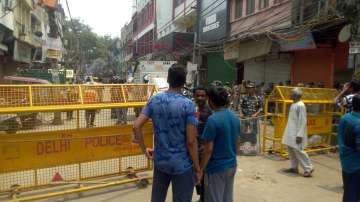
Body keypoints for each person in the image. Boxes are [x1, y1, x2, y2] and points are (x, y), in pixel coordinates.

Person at [133, 64, 201, 202]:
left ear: (168, 80)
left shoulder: (154, 100)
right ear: (183, 82)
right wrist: (198, 167)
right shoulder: (188, 105)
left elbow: (136, 126)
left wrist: (143, 149)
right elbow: (191, 141)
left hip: (161, 162)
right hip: (182, 165)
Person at [200, 86, 240, 202]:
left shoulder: (213, 120)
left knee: (214, 198)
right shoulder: (235, 117)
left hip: (216, 168)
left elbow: (208, 149)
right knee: (227, 198)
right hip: (232, 165)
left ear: (211, 101)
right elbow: (237, 144)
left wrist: (201, 169)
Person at [282, 88, 314, 177]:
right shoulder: (293, 104)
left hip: (297, 133)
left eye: (291, 93)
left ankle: (309, 168)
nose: (290, 95)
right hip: (290, 131)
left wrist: (299, 135)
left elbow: (303, 121)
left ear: (296, 95)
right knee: (290, 149)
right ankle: (294, 167)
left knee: (298, 150)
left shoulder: (301, 105)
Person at [338, 94, 360, 202]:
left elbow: (340, 138)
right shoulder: (358, 123)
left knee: (348, 192)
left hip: (346, 161)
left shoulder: (344, 118)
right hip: (357, 165)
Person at [193, 86, 212, 202]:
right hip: (193, 149)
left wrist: (204, 148)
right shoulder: (193, 109)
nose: (200, 98)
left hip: (203, 150)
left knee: (203, 176)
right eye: (198, 95)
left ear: (206, 97)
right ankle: (201, 197)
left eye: (203, 95)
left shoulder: (209, 113)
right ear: (194, 96)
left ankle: (204, 199)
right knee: (197, 176)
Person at [239, 82, 262, 149]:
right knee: (243, 131)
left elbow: (261, 108)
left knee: (254, 132)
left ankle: (253, 146)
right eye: (248, 88)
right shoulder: (244, 97)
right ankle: (242, 146)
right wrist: (241, 113)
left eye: (250, 88)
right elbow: (240, 106)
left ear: (254, 89)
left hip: (253, 118)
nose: (248, 89)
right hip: (245, 118)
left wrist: (256, 114)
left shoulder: (257, 97)